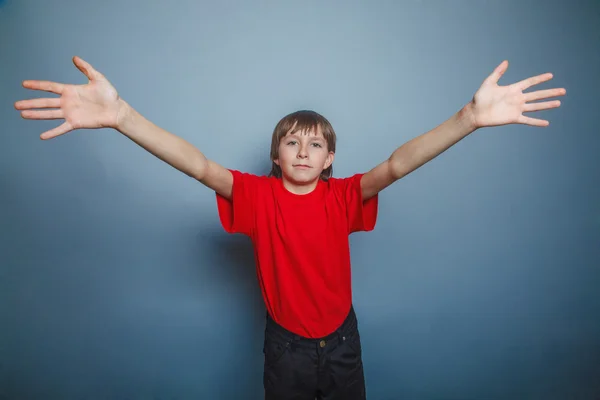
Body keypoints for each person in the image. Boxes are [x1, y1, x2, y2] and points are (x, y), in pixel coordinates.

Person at [14, 56, 565, 399]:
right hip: (287, 352)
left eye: (316, 144)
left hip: (343, 342)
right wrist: (122, 117)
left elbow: (397, 164)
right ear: (275, 155)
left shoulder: (344, 196)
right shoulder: (255, 197)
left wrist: (468, 119)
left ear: (329, 160)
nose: (304, 150)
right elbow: (197, 163)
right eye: (292, 141)